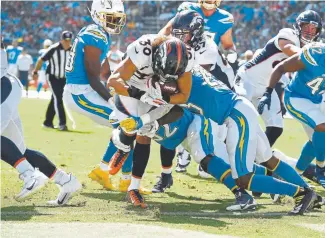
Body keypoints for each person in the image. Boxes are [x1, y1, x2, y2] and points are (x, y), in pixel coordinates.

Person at [63, 0, 146, 194]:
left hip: (86, 90)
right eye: (110, 18)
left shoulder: (101, 33)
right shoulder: (95, 34)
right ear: (97, 15)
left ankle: (109, 173)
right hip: (80, 92)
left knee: (126, 124)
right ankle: (120, 179)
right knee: (126, 124)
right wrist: (111, 99)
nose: (115, 22)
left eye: (117, 18)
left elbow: (105, 72)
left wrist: (119, 90)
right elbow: (93, 77)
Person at [1, 39, 81, 205]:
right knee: (19, 150)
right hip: (7, 86)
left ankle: (29, 175)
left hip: (3, 86)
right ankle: (66, 181)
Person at [235, 10, 322, 147]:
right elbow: (288, 48)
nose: (309, 31)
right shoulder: (288, 34)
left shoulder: (311, 50)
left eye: (313, 28)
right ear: (298, 26)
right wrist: (311, 55)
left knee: (276, 128)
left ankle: (257, 158)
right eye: (306, 27)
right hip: (248, 79)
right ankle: (219, 154)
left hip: (266, 87)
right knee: (239, 117)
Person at [258, 42, 325, 189]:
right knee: (322, 126)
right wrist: (268, 92)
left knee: (316, 141)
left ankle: (295, 175)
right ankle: (321, 169)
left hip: (317, 100)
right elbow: (281, 67)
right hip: (296, 97)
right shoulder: (315, 54)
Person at [33, 31, 72, 131]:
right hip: (53, 77)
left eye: (69, 41)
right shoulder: (53, 49)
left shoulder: (72, 50)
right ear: (61, 40)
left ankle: (48, 122)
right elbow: (41, 59)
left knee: (55, 98)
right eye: (65, 41)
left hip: (64, 78)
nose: (67, 43)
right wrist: (36, 71)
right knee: (58, 99)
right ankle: (62, 124)